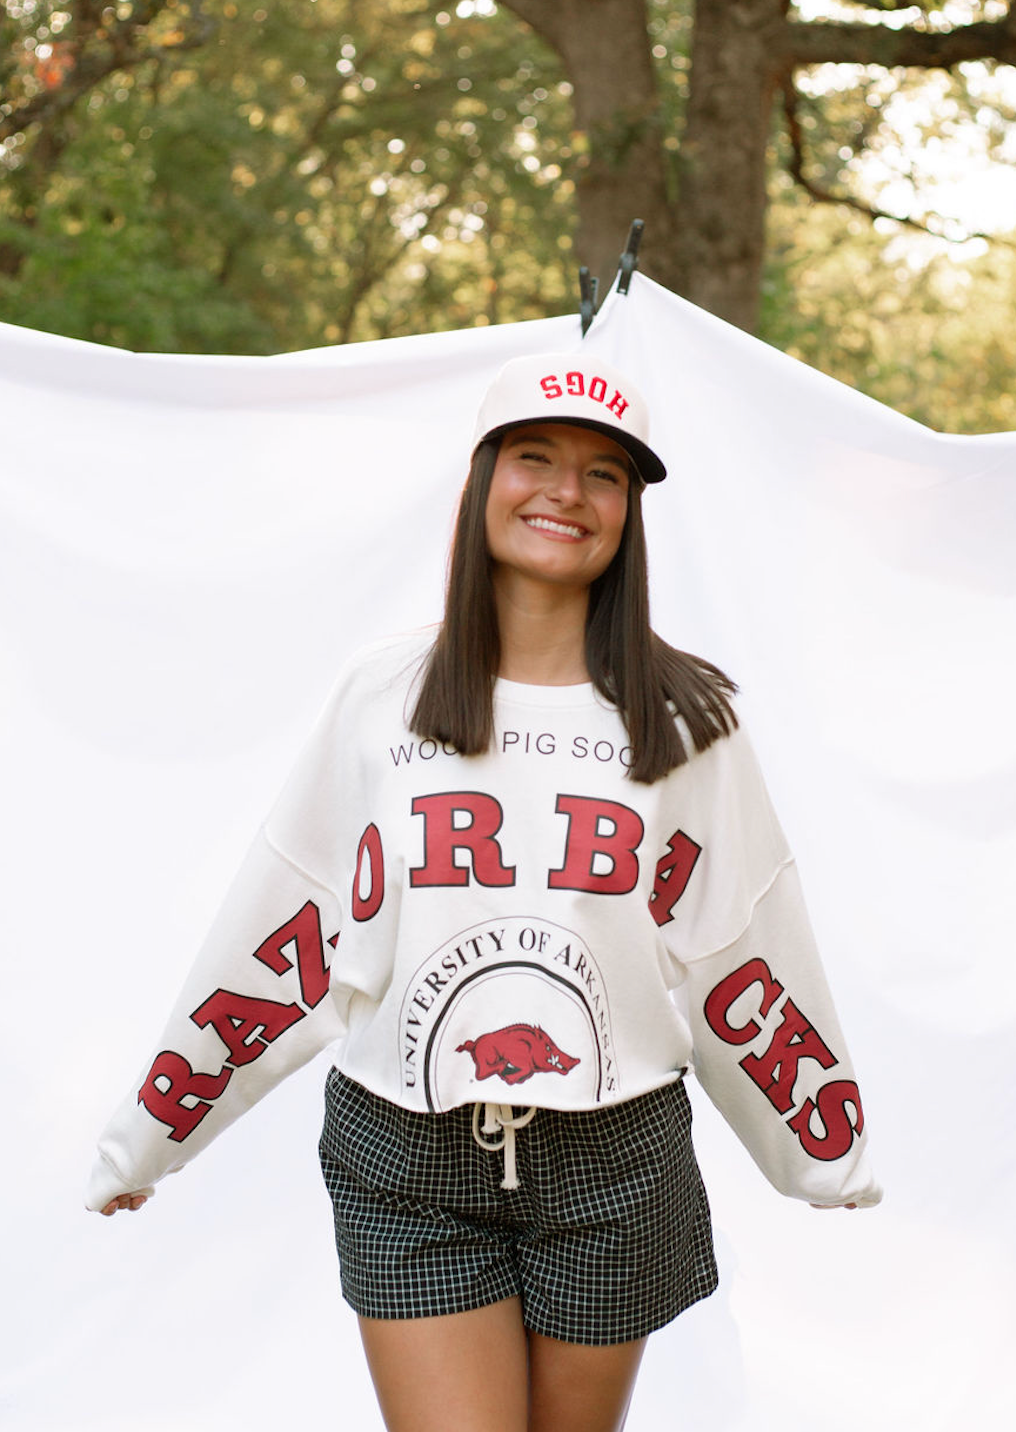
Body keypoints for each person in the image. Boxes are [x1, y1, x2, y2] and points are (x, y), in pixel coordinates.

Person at [89, 352, 880, 1432]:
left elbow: (739, 943)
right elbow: (294, 921)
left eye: (603, 474)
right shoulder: (384, 699)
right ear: (482, 480)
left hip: (614, 1155)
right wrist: (157, 1131)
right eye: (535, 457)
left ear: (630, 512)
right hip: (402, 1148)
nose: (565, 491)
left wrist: (820, 1150)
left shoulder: (685, 720)